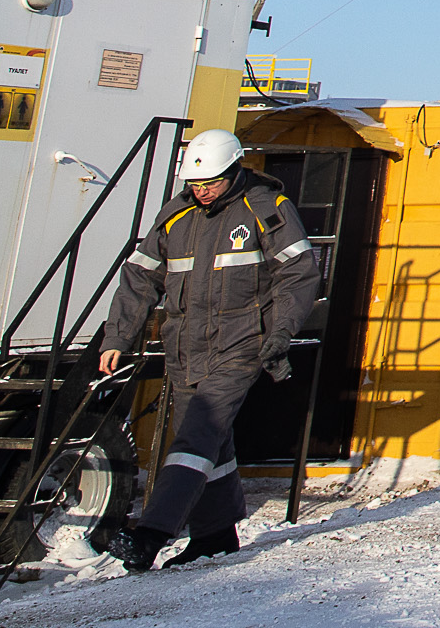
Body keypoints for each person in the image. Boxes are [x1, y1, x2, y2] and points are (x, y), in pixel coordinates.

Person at [96, 128, 318, 573]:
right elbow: (140, 280)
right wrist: (117, 338)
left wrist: (279, 334)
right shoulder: (176, 216)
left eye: (210, 182)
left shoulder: (265, 208)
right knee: (206, 446)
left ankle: (151, 535)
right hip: (184, 352)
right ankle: (215, 535)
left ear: (235, 170)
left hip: (240, 346)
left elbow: (299, 274)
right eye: (195, 184)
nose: (201, 191)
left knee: (196, 434)